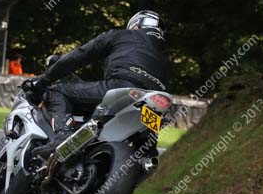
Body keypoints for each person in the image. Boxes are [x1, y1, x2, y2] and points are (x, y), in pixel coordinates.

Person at [23, 10, 170, 140]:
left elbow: (79, 56)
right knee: (145, 145)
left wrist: (44, 79)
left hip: (122, 87)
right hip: (153, 101)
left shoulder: (121, 35)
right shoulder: (164, 56)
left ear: (136, 25)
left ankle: (62, 136)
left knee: (56, 90)